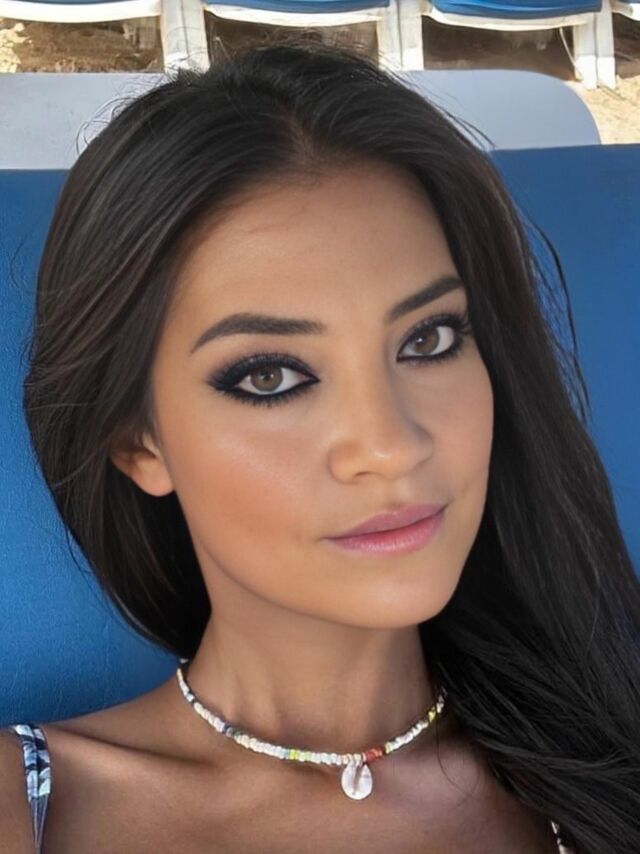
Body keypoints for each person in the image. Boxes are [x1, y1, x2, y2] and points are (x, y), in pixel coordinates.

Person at [1, 35, 638, 854]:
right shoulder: (30, 812)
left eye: (430, 339)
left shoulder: (605, 766)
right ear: (138, 441)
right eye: (270, 377)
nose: (390, 445)